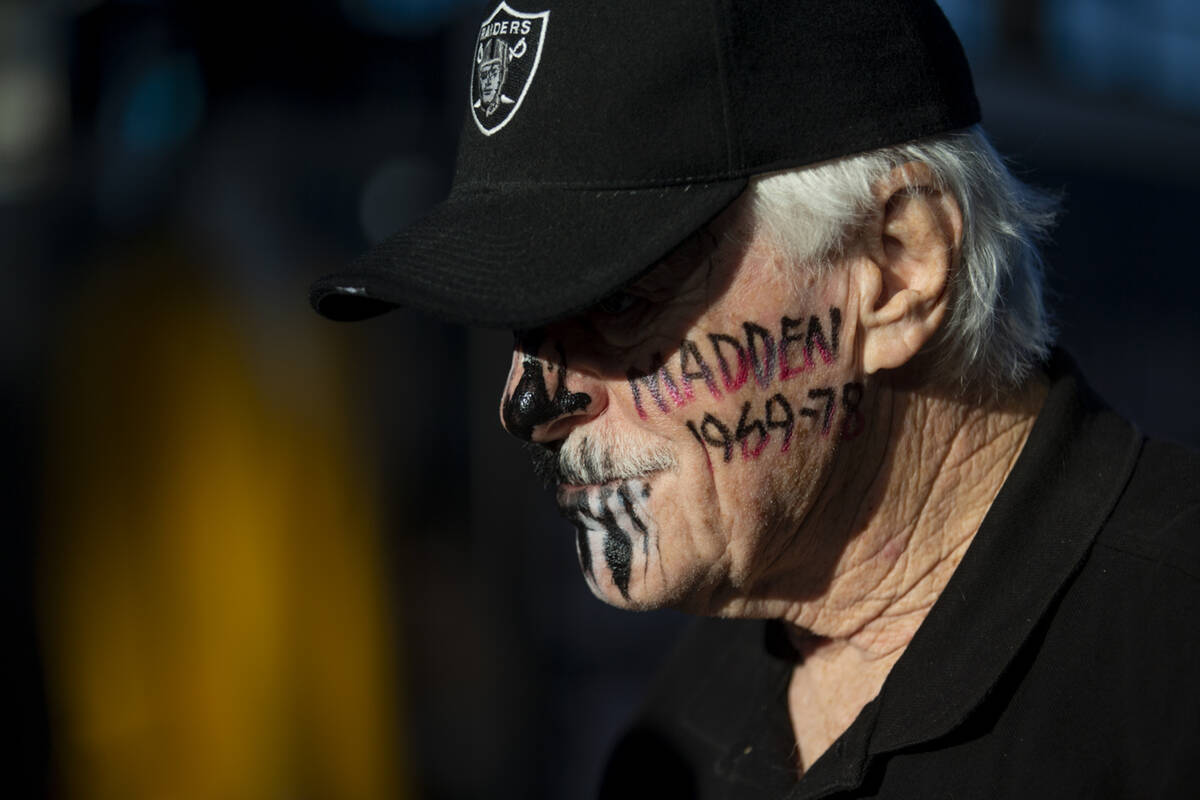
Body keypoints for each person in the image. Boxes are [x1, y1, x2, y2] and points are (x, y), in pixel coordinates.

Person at [311, 1, 1200, 796]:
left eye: (620, 302)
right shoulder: (687, 721)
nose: (527, 401)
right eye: (521, 325)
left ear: (896, 267)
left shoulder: (1167, 661)